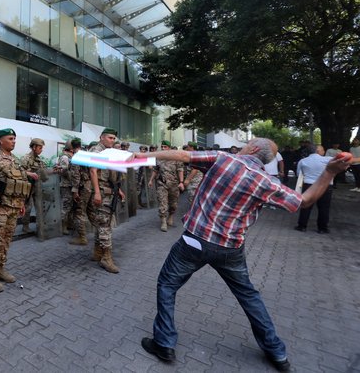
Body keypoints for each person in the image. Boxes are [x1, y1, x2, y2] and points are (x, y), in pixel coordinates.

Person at [134, 138, 350, 372]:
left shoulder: (223, 159)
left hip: (194, 241)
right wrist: (329, 172)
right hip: (230, 248)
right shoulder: (266, 181)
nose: (245, 145)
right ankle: (276, 352)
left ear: (254, 149)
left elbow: (183, 156)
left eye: (248, 143)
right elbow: (304, 201)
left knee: (167, 285)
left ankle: (164, 343)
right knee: (249, 296)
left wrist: (141, 156)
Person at [0, 128, 32, 292]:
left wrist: (21, 203)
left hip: (14, 206)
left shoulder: (16, 161)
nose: (13, 141)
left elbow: (21, 184)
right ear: (1, 140)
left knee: (7, 239)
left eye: (15, 139)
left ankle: (1, 268)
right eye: (10, 138)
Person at [88, 128, 125, 273]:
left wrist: (118, 190)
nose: (113, 140)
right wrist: (97, 192)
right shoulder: (97, 151)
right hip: (102, 193)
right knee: (105, 224)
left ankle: (97, 253)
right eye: (110, 137)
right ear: (101, 137)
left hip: (110, 191)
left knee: (103, 222)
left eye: (114, 138)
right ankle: (106, 258)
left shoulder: (108, 151)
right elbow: (93, 171)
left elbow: (111, 174)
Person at [295, 145, 332, 233]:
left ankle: (302, 226)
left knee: (306, 206)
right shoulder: (328, 160)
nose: (324, 152)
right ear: (318, 151)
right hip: (325, 186)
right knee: (324, 207)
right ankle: (322, 228)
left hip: (308, 185)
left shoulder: (303, 161)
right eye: (323, 150)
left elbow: (299, 173)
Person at [148, 140, 184, 232]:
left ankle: (171, 215)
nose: (163, 148)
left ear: (169, 148)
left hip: (174, 184)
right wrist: (151, 180)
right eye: (162, 147)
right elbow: (155, 170)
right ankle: (163, 221)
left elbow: (180, 170)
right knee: (162, 202)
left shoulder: (176, 158)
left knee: (173, 204)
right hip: (162, 183)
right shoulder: (159, 158)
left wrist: (181, 182)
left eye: (165, 147)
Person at [19, 138, 49, 233]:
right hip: (28, 187)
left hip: (38, 187)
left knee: (40, 207)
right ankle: (25, 226)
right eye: (40, 147)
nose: (41, 150)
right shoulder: (25, 159)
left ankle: (40, 226)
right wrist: (30, 174)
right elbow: (19, 172)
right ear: (34, 147)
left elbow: (44, 174)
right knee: (28, 207)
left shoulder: (39, 160)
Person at [68, 138, 91, 246]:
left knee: (79, 211)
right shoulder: (86, 155)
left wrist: (75, 190)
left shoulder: (76, 157)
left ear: (72, 147)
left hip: (82, 187)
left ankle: (82, 237)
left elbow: (76, 175)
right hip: (89, 185)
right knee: (90, 211)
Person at [55, 141, 74, 235]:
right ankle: (63, 226)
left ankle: (68, 224)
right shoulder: (65, 157)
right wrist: (71, 177)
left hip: (69, 185)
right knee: (66, 206)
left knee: (69, 205)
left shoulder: (68, 156)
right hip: (66, 185)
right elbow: (63, 171)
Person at [182, 142, 203, 206]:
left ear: (191, 147)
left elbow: (195, 169)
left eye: (188, 147)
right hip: (194, 180)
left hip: (195, 181)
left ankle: (195, 213)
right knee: (193, 198)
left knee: (193, 198)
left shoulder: (195, 156)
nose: (187, 148)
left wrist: (188, 179)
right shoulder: (193, 155)